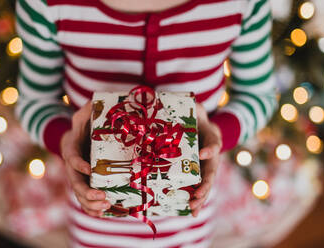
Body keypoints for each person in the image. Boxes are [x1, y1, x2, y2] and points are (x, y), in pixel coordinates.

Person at [15, 0, 277, 247]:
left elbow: (259, 96)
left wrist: (218, 135)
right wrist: (66, 139)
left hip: (189, 224)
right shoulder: (48, 4)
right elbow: (34, 101)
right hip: (95, 218)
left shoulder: (242, 4)